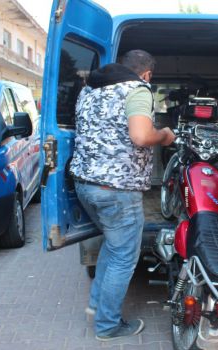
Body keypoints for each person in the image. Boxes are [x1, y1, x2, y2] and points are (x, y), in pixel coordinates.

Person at [70, 50, 175, 341]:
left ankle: (95, 306)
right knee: (123, 258)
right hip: (117, 189)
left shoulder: (90, 90)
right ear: (147, 75)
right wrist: (165, 135)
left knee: (112, 248)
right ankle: (107, 325)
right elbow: (141, 136)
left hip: (85, 183)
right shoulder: (137, 90)